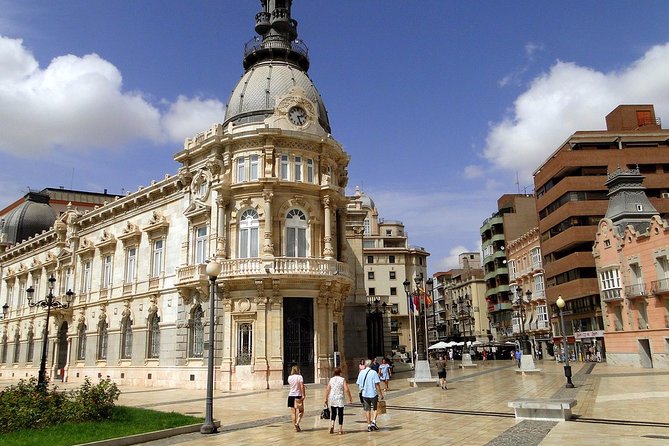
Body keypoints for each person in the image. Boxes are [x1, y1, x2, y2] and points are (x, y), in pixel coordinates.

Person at [356, 359, 384, 432]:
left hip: (364, 394)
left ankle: (369, 425)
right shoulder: (374, 372)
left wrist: (362, 389)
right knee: (375, 408)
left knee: (367, 409)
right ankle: (373, 422)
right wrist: (380, 394)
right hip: (373, 393)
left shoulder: (361, 373)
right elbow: (377, 384)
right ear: (371, 365)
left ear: (365, 365)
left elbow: (358, 383)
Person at [324, 367, 353, 435]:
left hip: (333, 397)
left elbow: (328, 389)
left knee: (333, 412)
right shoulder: (342, 379)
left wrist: (326, 398)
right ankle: (340, 429)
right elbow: (346, 389)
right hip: (340, 398)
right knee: (340, 413)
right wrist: (350, 397)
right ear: (340, 372)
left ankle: (332, 425)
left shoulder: (331, 379)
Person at [287, 365, 305, 432]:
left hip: (291, 396)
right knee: (301, 411)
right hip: (298, 395)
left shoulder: (289, 377)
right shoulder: (300, 377)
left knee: (293, 412)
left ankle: (295, 427)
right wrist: (303, 395)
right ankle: (297, 423)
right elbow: (302, 386)